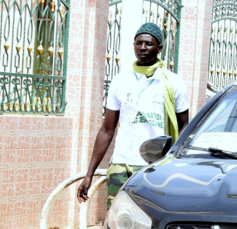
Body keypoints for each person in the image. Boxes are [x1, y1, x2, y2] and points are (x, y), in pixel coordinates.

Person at [76, 23, 189, 208]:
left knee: (148, 219)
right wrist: (89, 174)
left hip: (154, 167)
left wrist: (173, 163)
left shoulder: (173, 83)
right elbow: (106, 130)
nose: (143, 48)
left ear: (159, 48)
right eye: (139, 43)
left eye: (149, 44)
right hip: (121, 163)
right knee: (116, 218)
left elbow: (184, 126)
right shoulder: (120, 81)